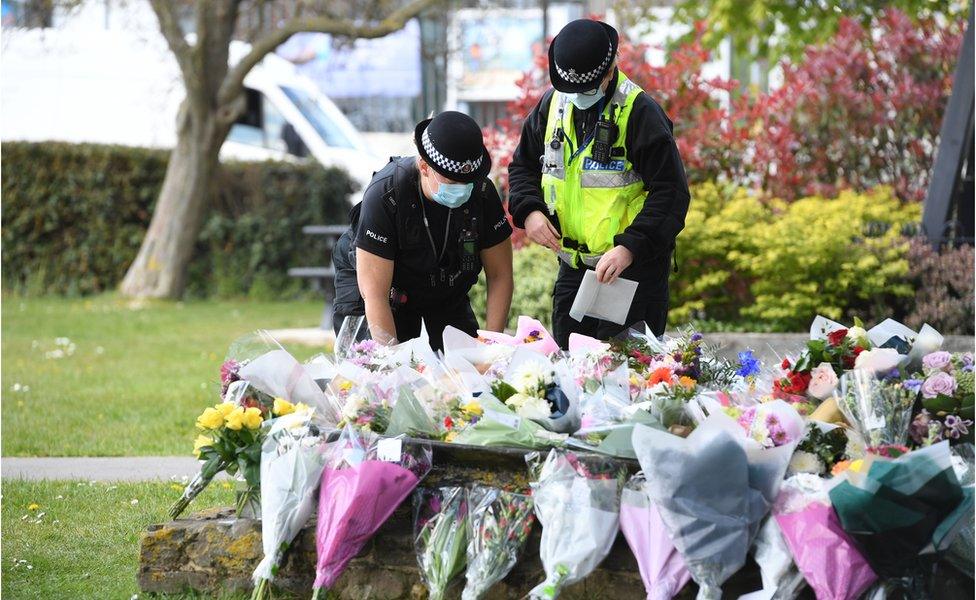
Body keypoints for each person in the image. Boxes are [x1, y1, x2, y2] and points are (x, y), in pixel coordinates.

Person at [507, 19, 691, 348]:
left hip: (629, 274)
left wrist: (630, 247)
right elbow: (522, 167)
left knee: (626, 379)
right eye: (571, 89)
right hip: (574, 272)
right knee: (570, 376)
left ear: (610, 70)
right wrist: (530, 212)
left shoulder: (640, 113)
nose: (578, 96)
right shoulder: (552, 105)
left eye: (587, 89)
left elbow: (671, 193)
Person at [332, 111, 514, 352]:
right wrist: (392, 365)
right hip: (380, 289)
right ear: (424, 167)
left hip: (444, 283)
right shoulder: (387, 194)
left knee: (466, 366)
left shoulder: (480, 191)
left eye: (468, 181)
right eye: (451, 182)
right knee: (376, 367)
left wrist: (492, 347)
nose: (462, 189)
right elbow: (375, 294)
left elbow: (500, 275)